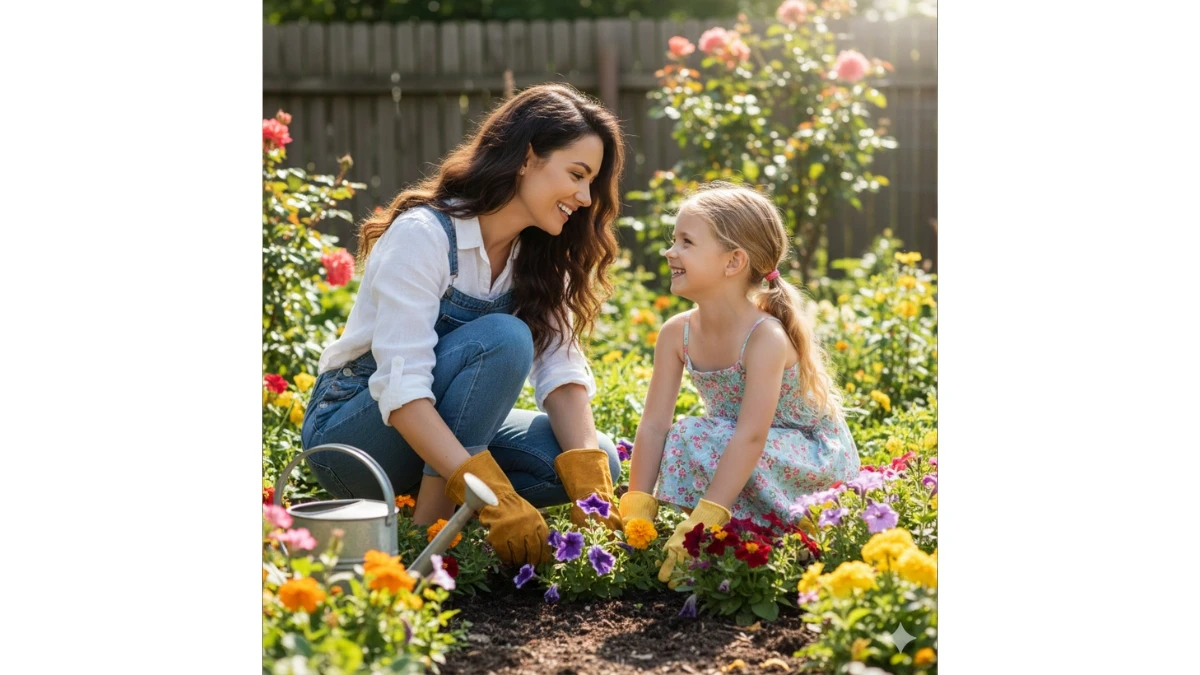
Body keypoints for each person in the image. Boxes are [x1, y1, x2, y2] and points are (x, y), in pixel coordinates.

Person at [300, 84, 627, 567]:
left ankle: (457, 502)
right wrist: (493, 492)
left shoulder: (538, 255)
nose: (583, 197)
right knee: (503, 338)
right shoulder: (425, 236)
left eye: (591, 184)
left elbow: (560, 368)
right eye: (577, 175)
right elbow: (402, 388)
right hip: (355, 443)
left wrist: (589, 479)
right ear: (527, 157)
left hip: (435, 441)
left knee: (598, 450)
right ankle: (429, 533)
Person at [616, 182, 860, 582]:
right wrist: (637, 507)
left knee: (700, 436)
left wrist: (704, 522)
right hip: (747, 449)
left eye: (686, 242)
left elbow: (750, 436)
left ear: (733, 262)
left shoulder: (765, 337)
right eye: (673, 239)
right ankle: (725, 537)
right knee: (687, 435)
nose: (669, 251)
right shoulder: (676, 333)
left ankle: (759, 536)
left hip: (808, 461)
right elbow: (654, 424)